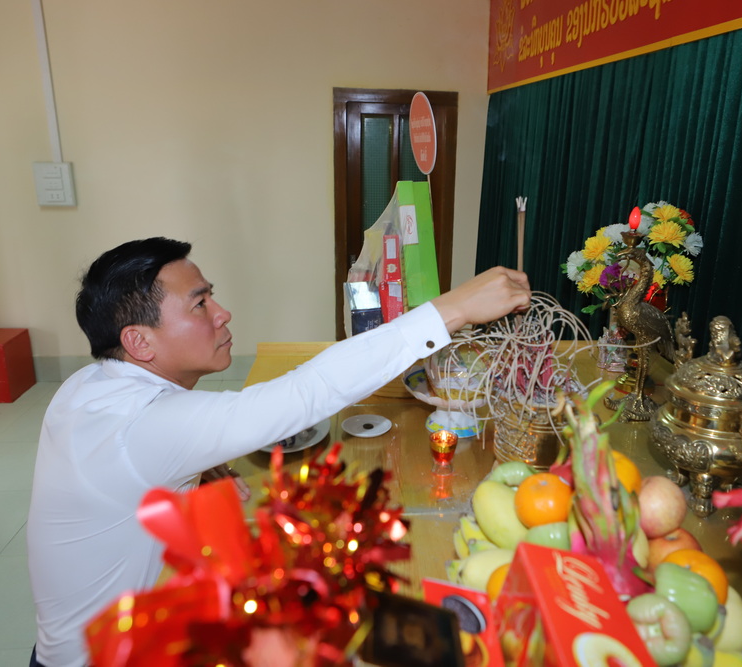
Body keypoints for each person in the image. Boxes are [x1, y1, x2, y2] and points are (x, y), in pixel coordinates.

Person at [26, 237, 531, 667]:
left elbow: (141, 458)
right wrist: (454, 308)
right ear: (138, 342)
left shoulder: (89, 387)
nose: (222, 313)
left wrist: (199, 465)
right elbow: (304, 394)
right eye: (199, 304)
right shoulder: (139, 427)